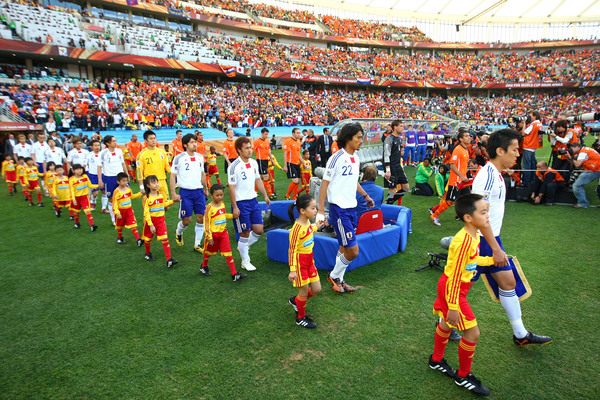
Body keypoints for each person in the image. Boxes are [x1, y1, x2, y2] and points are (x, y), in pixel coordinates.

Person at [472, 128, 551, 346]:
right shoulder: (488, 176)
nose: (518, 154)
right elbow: (479, 215)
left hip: (490, 239)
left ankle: (520, 334)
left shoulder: (495, 174)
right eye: (514, 150)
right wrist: (495, 248)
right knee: (460, 289)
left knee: (508, 282)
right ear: (500, 150)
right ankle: (445, 324)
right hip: (479, 242)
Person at [429, 193, 496, 396]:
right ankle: (463, 375)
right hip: (454, 289)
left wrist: (492, 260)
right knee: (472, 333)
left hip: (452, 287)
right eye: (483, 212)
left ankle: (436, 360)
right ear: (468, 217)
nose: (487, 217)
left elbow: (471, 262)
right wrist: (454, 306)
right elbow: (455, 277)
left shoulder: (473, 235)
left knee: (446, 323)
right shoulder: (465, 241)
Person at [317, 122, 374, 294]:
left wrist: (365, 195)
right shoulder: (337, 158)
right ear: (348, 138)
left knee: (343, 247)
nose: (361, 141)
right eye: (358, 137)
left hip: (352, 208)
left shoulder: (355, 158)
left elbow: (353, 181)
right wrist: (320, 210)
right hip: (339, 209)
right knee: (353, 251)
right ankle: (334, 276)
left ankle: (339, 281)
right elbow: (324, 185)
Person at [228, 136, 271, 272]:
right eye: (246, 148)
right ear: (239, 150)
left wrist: (265, 195)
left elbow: (258, 180)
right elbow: (231, 188)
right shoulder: (233, 166)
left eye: (250, 147)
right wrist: (235, 207)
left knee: (259, 230)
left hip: (253, 200)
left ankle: (243, 247)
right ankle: (245, 261)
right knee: (245, 233)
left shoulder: (253, 163)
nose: (250, 150)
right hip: (241, 203)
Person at [287, 194, 323, 329]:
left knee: (317, 289)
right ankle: (300, 318)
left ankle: (296, 301)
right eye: (313, 208)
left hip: (310, 261)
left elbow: (308, 230)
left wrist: (316, 226)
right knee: (303, 292)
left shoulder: (307, 222)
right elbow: (292, 250)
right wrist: (292, 271)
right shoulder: (296, 229)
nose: (315, 211)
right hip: (300, 263)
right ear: (302, 211)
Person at [200, 184, 247, 282]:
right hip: (213, 235)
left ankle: (234, 274)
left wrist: (232, 216)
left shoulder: (222, 204)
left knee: (228, 253)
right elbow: (206, 222)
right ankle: (204, 266)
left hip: (223, 234)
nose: (220, 197)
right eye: (217, 195)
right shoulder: (209, 207)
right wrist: (209, 236)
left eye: (221, 195)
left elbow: (223, 215)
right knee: (208, 252)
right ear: (212, 195)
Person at [171, 133, 208, 253]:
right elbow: (172, 176)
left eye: (195, 142)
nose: (195, 144)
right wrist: (173, 193)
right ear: (186, 144)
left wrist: (206, 188)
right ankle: (179, 231)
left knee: (201, 217)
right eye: (192, 142)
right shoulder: (179, 158)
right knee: (186, 220)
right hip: (185, 192)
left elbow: (203, 174)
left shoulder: (200, 157)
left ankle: (197, 244)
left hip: (198, 192)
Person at [430, 128, 471, 226]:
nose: (469, 137)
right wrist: (461, 176)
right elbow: (452, 165)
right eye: (466, 136)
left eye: (469, 136)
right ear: (461, 139)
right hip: (456, 181)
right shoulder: (458, 149)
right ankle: (435, 215)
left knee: (466, 199)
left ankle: (463, 217)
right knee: (451, 201)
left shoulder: (465, 149)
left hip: (463, 181)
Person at [141, 174, 178, 268]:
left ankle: (169, 259)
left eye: (157, 182)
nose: (156, 184)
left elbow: (163, 204)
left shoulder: (161, 194)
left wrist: (173, 201)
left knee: (165, 238)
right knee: (148, 239)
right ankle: (147, 253)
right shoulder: (147, 198)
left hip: (161, 220)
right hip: (151, 222)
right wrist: (150, 225)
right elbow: (146, 213)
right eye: (153, 183)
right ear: (148, 185)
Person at [98, 135, 128, 225]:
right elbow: (99, 167)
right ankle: (114, 219)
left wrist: (126, 175)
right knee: (111, 199)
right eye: (113, 141)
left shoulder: (119, 151)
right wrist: (100, 180)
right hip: (109, 178)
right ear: (107, 143)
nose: (116, 142)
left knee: (124, 197)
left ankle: (124, 217)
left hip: (121, 177)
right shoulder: (103, 153)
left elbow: (123, 164)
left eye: (116, 140)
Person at [137, 130, 171, 200]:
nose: (153, 140)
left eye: (154, 138)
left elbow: (167, 166)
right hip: (150, 183)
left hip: (162, 182)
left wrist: (175, 172)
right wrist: (141, 187)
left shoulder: (162, 152)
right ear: (146, 140)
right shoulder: (141, 155)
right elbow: (139, 172)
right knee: (153, 205)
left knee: (166, 206)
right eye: (151, 139)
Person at [112, 172, 143, 246]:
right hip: (121, 211)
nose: (125, 182)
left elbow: (132, 196)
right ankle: (120, 237)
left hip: (129, 210)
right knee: (119, 225)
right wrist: (117, 212)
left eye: (126, 180)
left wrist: (140, 194)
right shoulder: (116, 192)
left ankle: (138, 239)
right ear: (118, 182)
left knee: (133, 224)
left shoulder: (128, 189)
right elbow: (114, 203)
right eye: (123, 181)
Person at [384, 120, 409, 205]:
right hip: (392, 167)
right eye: (401, 126)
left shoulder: (399, 138)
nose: (403, 128)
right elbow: (386, 154)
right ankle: (388, 205)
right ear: (395, 127)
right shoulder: (389, 139)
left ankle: (388, 202)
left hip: (398, 166)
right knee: (392, 188)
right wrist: (388, 169)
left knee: (406, 188)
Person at [567, 142, 600, 208]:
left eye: (572, 148)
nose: (571, 150)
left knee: (577, 186)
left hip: (593, 170)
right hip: (595, 169)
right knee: (599, 189)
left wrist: (570, 158)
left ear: (577, 147)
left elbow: (577, 164)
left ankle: (583, 203)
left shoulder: (582, 152)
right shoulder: (585, 150)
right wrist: (568, 157)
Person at [68, 164, 98, 231]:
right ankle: (76, 222)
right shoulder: (71, 180)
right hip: (76, 198)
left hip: (85, 197)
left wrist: (97, 186)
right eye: (77, 169)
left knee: (87, 211)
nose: (79, 171)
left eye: (80, 169)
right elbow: (71, 190)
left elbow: (90, 185)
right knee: (77, 212)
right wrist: (73, 199)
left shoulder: (85, 176)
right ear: (73, 170)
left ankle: (92, 225)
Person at [252, 127, 276, 199]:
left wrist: (271, 159)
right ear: (262, 133)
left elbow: (269, 151)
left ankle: (254, 191)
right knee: (266, 177)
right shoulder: (257, 142)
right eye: (265, 134)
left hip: (266, 160)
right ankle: (270, 194)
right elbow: (252, 151)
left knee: (260, 177)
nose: (266, 136)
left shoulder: (267, 141)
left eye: (267, 134)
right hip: (260, 161)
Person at [521, 111, 543, 186]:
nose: (529, 118)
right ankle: (532, 180)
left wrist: (524, 123)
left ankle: (525, 182)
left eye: (530, 116)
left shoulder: (533, 124)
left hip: (528, 146)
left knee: (526, 166)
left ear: (535, 116)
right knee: (533, 165)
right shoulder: (539, 124)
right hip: (534, 146)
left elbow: (523, 133)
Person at [283, 127, 303, 200]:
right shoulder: (288, 142)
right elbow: (285, 154)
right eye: (297, 133)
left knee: (297, 181)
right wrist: (285, 166)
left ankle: (294, 197)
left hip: (297, 163)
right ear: (293, 133)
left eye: (299, 133)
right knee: (295, 181)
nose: (298, 134)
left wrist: (303, 162)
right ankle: (288, 195)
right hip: (290, 163)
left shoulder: (298, 141)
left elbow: (298, 153)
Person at [85, 139, 102, 211]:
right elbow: (85, 165)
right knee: (95, 193)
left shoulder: (102, 154)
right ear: (92, 147)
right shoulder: (89, 155)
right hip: (92, 175)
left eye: (98, 145)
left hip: (102, 174)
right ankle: (92, 200)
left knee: (103, 192)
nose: (97, 147)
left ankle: (103, 207)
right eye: (95, 145)